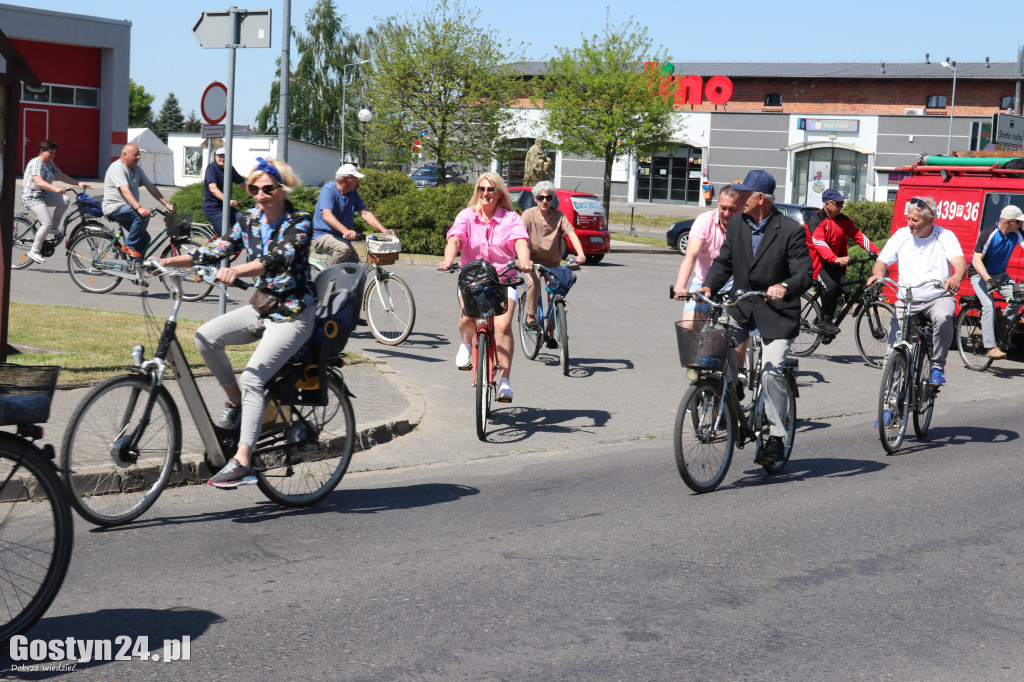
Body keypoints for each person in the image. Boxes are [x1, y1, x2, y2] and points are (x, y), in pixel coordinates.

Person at [158, 158, 315, 488]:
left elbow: (278, 258)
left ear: (282, 188)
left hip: (293, 313)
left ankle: (243, 460)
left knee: (254, 377)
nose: (260, 194)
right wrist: (166, 261)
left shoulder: (299, 221)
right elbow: (217, 249)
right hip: (263, 306)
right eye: (253, 188)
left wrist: (238, 270)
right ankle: (236, 405)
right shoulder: (250, 221)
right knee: (205, 336)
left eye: (267, 188)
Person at [695, 170, 813, 464]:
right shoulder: (737, 225)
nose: (740, 199)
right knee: (713, 345)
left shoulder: (790, 230)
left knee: (772, 371)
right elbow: (725, 261)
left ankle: (775, 436)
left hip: (777, 312)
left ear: (760, 198)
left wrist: (784, 287)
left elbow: (804, 273)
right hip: (743, 305)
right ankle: (728, 390)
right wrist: (709, 283)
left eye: (745, 194)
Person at [439, 172, 533, 402]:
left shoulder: (510, 218)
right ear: (477, 192)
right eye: (481, 189)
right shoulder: (467, 215)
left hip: (503, 278)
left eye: (491, 189)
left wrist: (524, 260)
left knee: (502, 326)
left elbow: (520, 240)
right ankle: (465, 347)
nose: (486, 193)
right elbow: (455, 238)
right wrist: (448, 260)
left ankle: (505, 381)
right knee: (467, 318)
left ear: (500, 193)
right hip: (473, 278)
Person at [867, 195, 967, 389]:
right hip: (907, 298)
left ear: (930, 221)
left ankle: (937, 366)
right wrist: (878, 275)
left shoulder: (945, 236)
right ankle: (890, 406)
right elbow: (882, 262)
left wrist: (956, 277)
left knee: (944, 316)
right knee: (892, 352)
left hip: (937, 296)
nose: (910, 224)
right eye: (909, 219)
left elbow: (959, 263)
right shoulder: (902, 236)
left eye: (915, 220)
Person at [522, 180, 586, 344]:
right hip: (533, 261)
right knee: (534, 282)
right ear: (535, 198)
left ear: (553, 199)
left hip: (553, 263)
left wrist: (580, 253)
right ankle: (530, 317)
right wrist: (524, 259)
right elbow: (520, 238)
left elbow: (571, 234)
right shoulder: (528, 215)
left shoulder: (559, 216)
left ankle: (550, 333)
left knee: (555, 294)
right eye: (541, 197)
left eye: (548, 197)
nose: (545, 201)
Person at [810, 188, 881, 334]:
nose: (841, 206)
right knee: (831, 287)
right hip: (818, 264)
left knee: (845, 293)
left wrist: (877, 253)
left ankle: (827, 317)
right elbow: (820, 244)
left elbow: (858, 236)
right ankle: (825, 321)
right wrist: (835, 258)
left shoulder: (843, 220)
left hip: (835, 264)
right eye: (838, 204)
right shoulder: (817, 220)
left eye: (843, 203)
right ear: (827, 204)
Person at [967, 204, 1024, 360]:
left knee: (1020, 295)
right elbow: (976, 261)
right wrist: (988, 280)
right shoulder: (988, 233)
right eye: (1018, 222)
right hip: (980, 275)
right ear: (1008, 221)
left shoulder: (1017, 233)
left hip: (1001, 274)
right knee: (988, 305)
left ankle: (1003, 328)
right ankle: (990, 347)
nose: (1021, 225)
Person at [102, 143, 174, 262]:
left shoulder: (136, 169)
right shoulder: (117, 168)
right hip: (114, 207)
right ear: (125, 154)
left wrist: (166, 204)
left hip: (128, 208)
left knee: (144, 238)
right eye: (135, 155)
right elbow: (125, 191)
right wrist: (139, 208)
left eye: (139, 155)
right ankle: (129, 245)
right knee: (141, 216)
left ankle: (137, 269)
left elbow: (150, 187)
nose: (139, 157)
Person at [20, 140, 88, 264]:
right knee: (46, 223)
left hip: (44, 195)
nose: (52, 155)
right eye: (50, 152)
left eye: (54, 153)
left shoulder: (49, 163)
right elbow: (39, 182)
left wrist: (78, 183)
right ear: (42, 151)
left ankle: (54, 228)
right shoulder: (36, 163)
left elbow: (61, 176)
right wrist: (55, 189)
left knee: (65, 200)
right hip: (32, 197)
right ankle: (34, 251)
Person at [311, 163, 392, 265]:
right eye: (355, 179)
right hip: (321, 235)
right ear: (344, 179)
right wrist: (346, 231)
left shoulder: (352, 193)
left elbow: (365, 214)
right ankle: (330, 278)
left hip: (341, 238)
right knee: (343, 248)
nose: (358, 182)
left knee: (355, 270)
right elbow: (327, 216)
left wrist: (384, 230)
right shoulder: (329, 190)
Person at [203, 146, 245, 233]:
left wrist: (256, 194)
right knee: (227, 236)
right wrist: (228, 201)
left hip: (227, 208)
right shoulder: (212, 168)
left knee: (245, 223)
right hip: (214, 210)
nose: (222, 158)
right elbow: (213, 188)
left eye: (224, 156)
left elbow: (243, 183)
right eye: (220, 156)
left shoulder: (230, 169)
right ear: (215, 157)